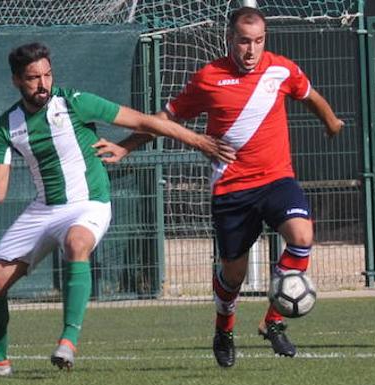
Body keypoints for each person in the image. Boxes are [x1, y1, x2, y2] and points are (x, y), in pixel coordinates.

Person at [0, 42, 234, 379]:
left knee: (77, 243)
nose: (43, 83)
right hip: (44, 208)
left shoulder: (74, 102)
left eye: (47, 74)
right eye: (33, 78)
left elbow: (147, 121)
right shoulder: (8, 125)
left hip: (88, 202)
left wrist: (200, 142)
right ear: (16, 80)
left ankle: (68, 341)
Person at [95, 7, 344, 367]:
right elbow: (164, 120)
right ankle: (224, 329)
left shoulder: (282, 69)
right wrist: (125, 146)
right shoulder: (208, 78)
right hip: (232, 189)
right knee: (234, 275)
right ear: (230, 40)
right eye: (244, 41)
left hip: (277, 179)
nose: (251, 50)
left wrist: (332, 121)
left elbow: (311, 95)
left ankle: (272, 321)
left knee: (302, 236)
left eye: (258, 41)